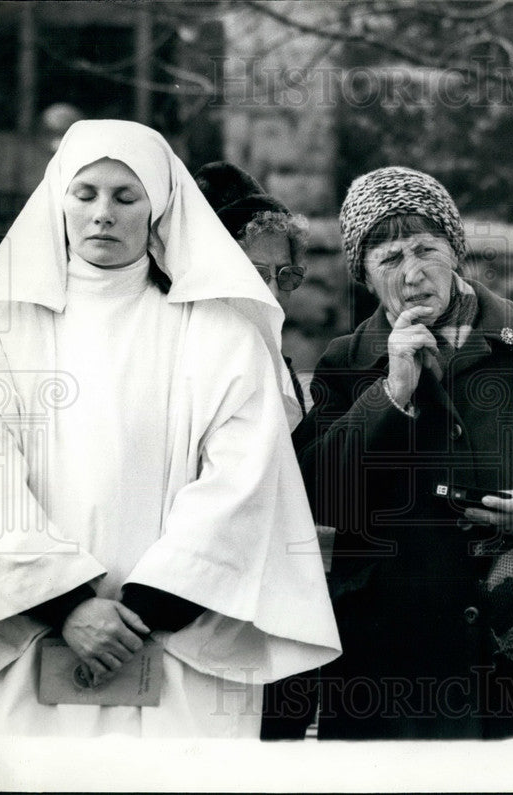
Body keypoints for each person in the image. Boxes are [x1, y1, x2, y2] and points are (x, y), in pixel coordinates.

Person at [0, 120, 340, 738]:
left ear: (159, 209)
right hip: (23, 638)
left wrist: (142, 610)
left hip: (176, 648)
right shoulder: (2, 328)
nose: (103, 213)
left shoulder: (219, 335)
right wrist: (67, 605)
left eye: (126, 197)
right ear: (57, 200)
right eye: (85, 193)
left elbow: (243, 482)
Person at [294, 166, 513, 739]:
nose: (415, 273)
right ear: (364, 278)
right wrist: (391, 390)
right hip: (391, 658)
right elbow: (317, 496)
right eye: (390, 259)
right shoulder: (348, 360)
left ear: (456, 251)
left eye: (427, 248)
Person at [194, 160, 318, 739]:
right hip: (202, 601)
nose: (268, 289)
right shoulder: (190, 351)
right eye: (252, 270)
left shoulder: (281, 359)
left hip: (276, 596)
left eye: (283, 274)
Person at [194, 161, 310, 425]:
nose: (273, 292)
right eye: (255, 274)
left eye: (285, 274)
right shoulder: (187, 370)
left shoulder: (282, 370)